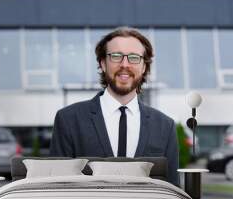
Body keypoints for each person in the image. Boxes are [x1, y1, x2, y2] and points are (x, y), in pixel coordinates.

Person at [50, 27, 180, 187]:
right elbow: (57, 189)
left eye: (134, 57)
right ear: (103, 63)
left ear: (144, 67)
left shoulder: (165, 126)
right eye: (116, 56)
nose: (125, 64)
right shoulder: (69, 120)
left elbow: (173, 191)